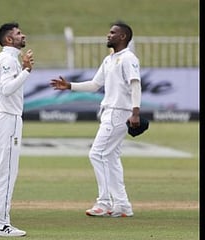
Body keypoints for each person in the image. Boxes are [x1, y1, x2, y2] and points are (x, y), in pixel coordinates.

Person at [50, 21, 141, 218]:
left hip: (119, 111)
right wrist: (69, 86)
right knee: (111, 157)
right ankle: (123, 205)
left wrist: (135, 112)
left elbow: (135, 84)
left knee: (97, 154)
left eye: (113, 33)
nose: (108, 35)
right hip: (110, 111)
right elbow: (94, 84)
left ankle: (105, 202)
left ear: (123, 37)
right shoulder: (109, 59)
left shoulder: (128, 58)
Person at [0, 22, 33, 237]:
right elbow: (6, 89)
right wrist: (26, 71)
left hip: (0, 117)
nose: (22, 35)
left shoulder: (5, 58)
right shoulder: (8, 59)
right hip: (7, 119)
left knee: (4, 171)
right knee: (7, 173)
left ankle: (0, 221)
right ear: (8, 39)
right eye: (18, 33)